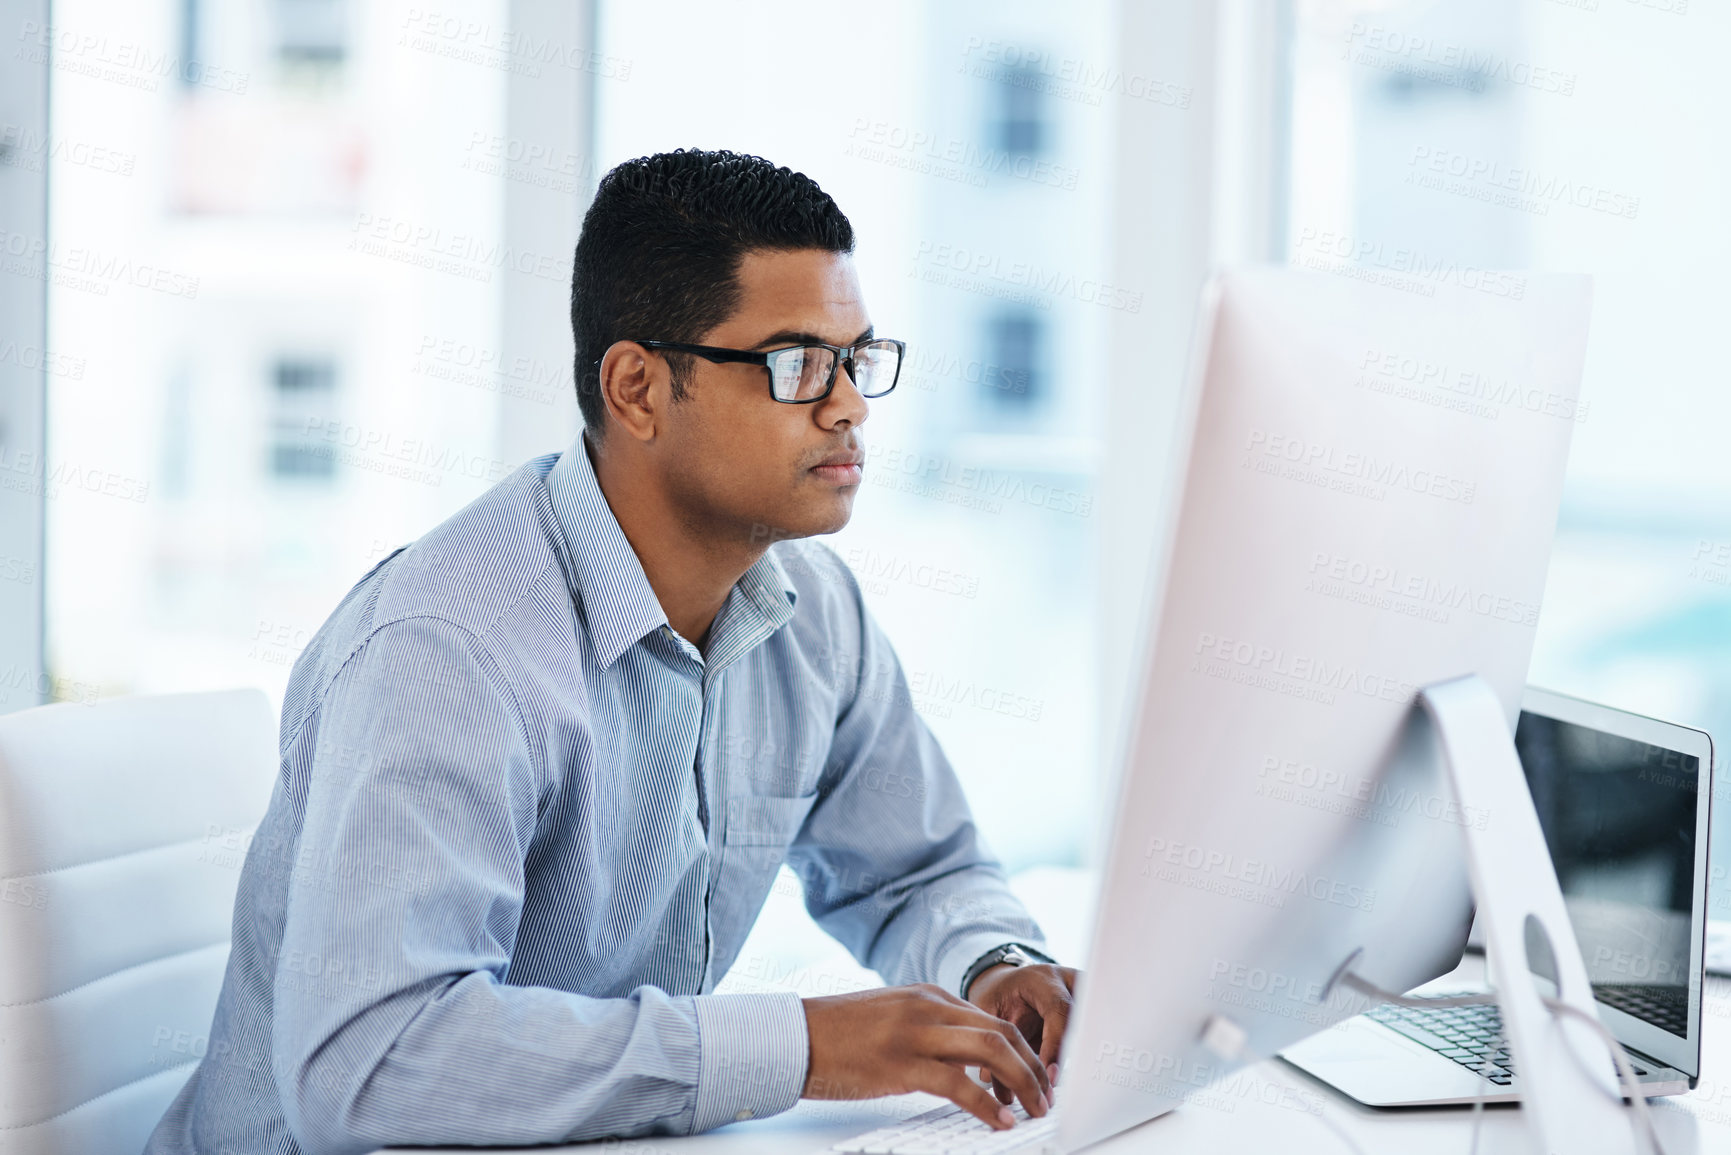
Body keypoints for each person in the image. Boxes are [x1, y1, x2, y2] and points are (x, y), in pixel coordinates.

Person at [147, 148, 1076, 1155]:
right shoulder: (448, 648)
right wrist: (800, 1046)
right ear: (637, 388)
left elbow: (913, 872)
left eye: (860, 359)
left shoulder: (813, 612)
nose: (848, 404)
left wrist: (998, 965)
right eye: (800, 363)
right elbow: (374, 1062)